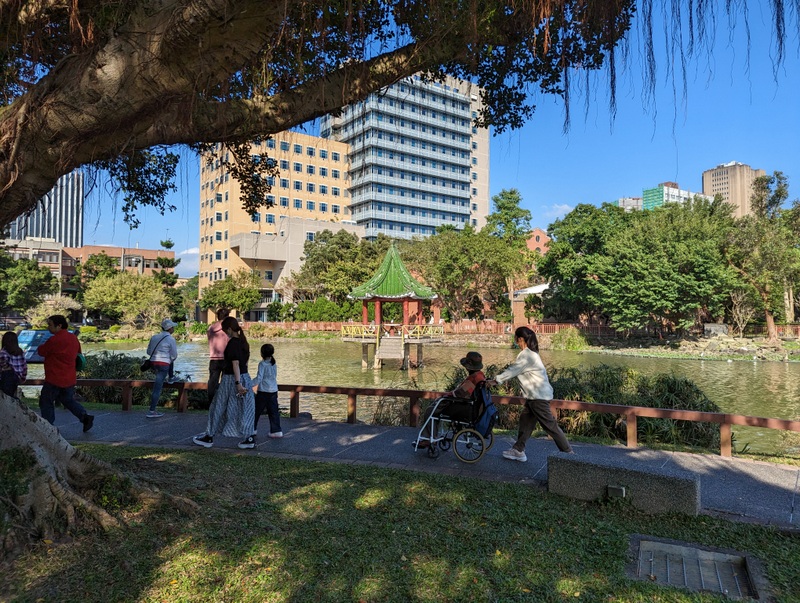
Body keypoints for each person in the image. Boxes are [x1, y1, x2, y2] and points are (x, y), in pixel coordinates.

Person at [486, 326, 573, 461]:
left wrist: (495, 381)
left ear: (520, 339)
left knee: (550, 426)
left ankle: (569, 454)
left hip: (538, 398)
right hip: (535, 397)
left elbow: (513, 370)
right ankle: (518, 450)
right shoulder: (531, 354)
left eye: (515, 337)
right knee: (526, 422)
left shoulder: (527, 355)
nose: (514, 340)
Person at [193, 316, 256, 449]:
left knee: (218, 406)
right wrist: (242, 381)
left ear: (229, 329)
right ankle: (249, 437)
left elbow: (235, 363)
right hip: (245, 377)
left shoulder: (232, 343)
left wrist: (238, 383)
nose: (224, 333)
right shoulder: (243, 342)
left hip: (231, 379)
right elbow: (244, 363)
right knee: (245, 409)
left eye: (224, 330)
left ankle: (209, 435)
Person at [415, 351, 485, 449]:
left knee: (430, 411)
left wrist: (447, 395)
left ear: (469, 366)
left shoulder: (473, 379)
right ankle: (430, 436)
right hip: (471, 407)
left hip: (462, 407)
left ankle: (428, 438)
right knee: (435, 407)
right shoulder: (481, 375)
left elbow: (460, 394)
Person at [37, 315, 94, 431]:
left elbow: (41, 351)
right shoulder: (73, 338)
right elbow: (79, 355)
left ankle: (48, 427)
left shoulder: (54, 340)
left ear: (59, 326)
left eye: (50, 325)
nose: (48, 327)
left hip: (54, 378)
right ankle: (84, 417)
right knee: (68, 400)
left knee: (46, 401)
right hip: (69, 377)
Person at [145, 319, 178, 418]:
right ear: (170, 328)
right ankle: (152, 411)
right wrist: (168, 360)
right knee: (157, 388)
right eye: (173, 327)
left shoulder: (154, 337)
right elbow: (174, 355)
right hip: (163, 364)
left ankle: (171, 377)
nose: (174, 328)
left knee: (157, 383)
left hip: (153, 363)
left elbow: (148, 352)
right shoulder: (171, 339)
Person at [253, 343, 283, 438]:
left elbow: (259, 378)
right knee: (273, 411)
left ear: (261, 353)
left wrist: (249, 384)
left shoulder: (262, 364)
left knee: (256, 411)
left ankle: (252, 429)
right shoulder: (274, 364)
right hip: (273, 390)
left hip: (263, 391)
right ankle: (276, 430)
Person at [206, 308, 230, 405]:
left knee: (212, 382)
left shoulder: (211, 328)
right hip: (226, 358)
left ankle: (211, 403)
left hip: (214, 358)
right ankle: (223, 403)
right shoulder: (228, 329)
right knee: (226, 382)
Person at [0, 331, 27, 397]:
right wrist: (23, 378)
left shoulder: (3, 352)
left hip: (6, 379)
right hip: (18, 378)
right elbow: (24, 366)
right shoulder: (20, 352)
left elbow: (3, 367)